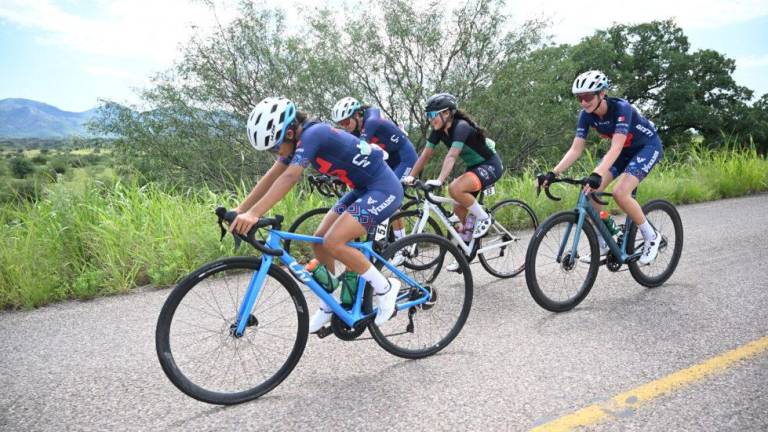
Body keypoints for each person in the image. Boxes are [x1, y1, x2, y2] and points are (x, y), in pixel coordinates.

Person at [231, 96, 404, 333]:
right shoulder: (295, 143)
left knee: (334, 241)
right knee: (320, 240)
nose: (274, 153)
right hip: (362, 189)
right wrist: (241, 210)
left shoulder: (315, 134)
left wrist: (254, 214)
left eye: (274, 147)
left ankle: (385, 288)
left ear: (290, 133)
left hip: (384, 188)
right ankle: (329, 305)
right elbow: (271, 176)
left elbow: (290, 177)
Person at [538, 70, 663, 265]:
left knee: (620, 193)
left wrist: (597, 172)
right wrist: (554, 172)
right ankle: (604, 237)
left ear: (602, 94)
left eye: (587, 97)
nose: (583, 102)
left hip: (646, 147)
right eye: (579, 98)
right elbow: (575, 149)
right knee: (589, 191)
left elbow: (616, 146)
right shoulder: (586, 116)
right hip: (623, 152)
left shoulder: (622, 108)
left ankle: (651, 236)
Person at [406, 93, 504, 240]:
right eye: (428, 115)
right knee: (458, 209)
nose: (430, 119)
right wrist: (410, 177)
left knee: (454, 188)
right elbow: (425, 156)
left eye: (433, 114)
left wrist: (439, 180)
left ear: (447, 113)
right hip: (474, 168)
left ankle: (484, 218)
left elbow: (452, 156)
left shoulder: (461, 127)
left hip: (490, 165)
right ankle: (467, 252)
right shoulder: (438, 131)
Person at [331, 97, 418, 245]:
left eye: (346, 122)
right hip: (389, 161)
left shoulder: (371, 117)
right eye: (341, 124)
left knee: (391, 197)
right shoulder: (355, 131)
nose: (344, 126)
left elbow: (362, 147)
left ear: (357, 115)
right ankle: (383, 240)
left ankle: (403, 244)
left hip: (405, 158)